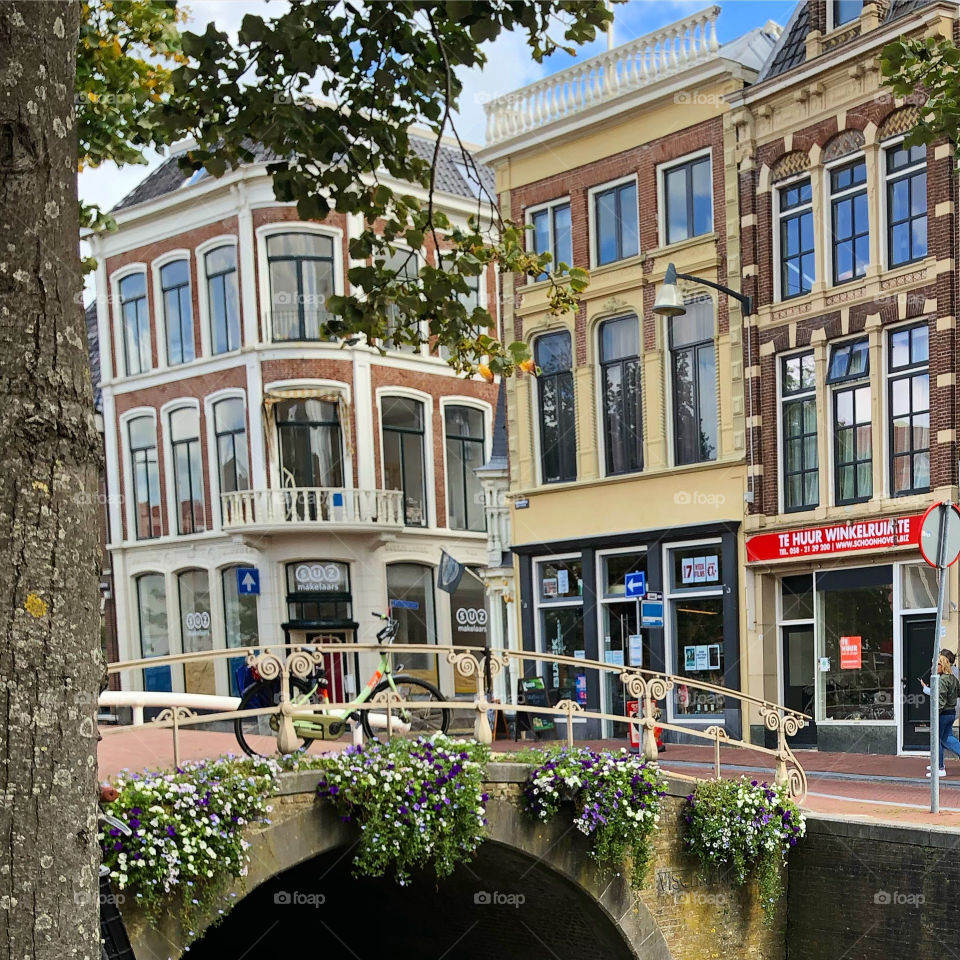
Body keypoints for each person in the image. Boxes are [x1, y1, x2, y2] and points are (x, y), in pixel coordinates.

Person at [920, 653, 960, 777]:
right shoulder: (953, 678)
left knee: (937, 740)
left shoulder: (941, 679)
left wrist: (935, 714)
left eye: (937, 664)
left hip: (943, 714)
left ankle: (940, 767)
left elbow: (940, 699)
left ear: (942, 665)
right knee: (947, 738)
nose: (935, 666)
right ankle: (937, 764)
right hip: (951, 712)